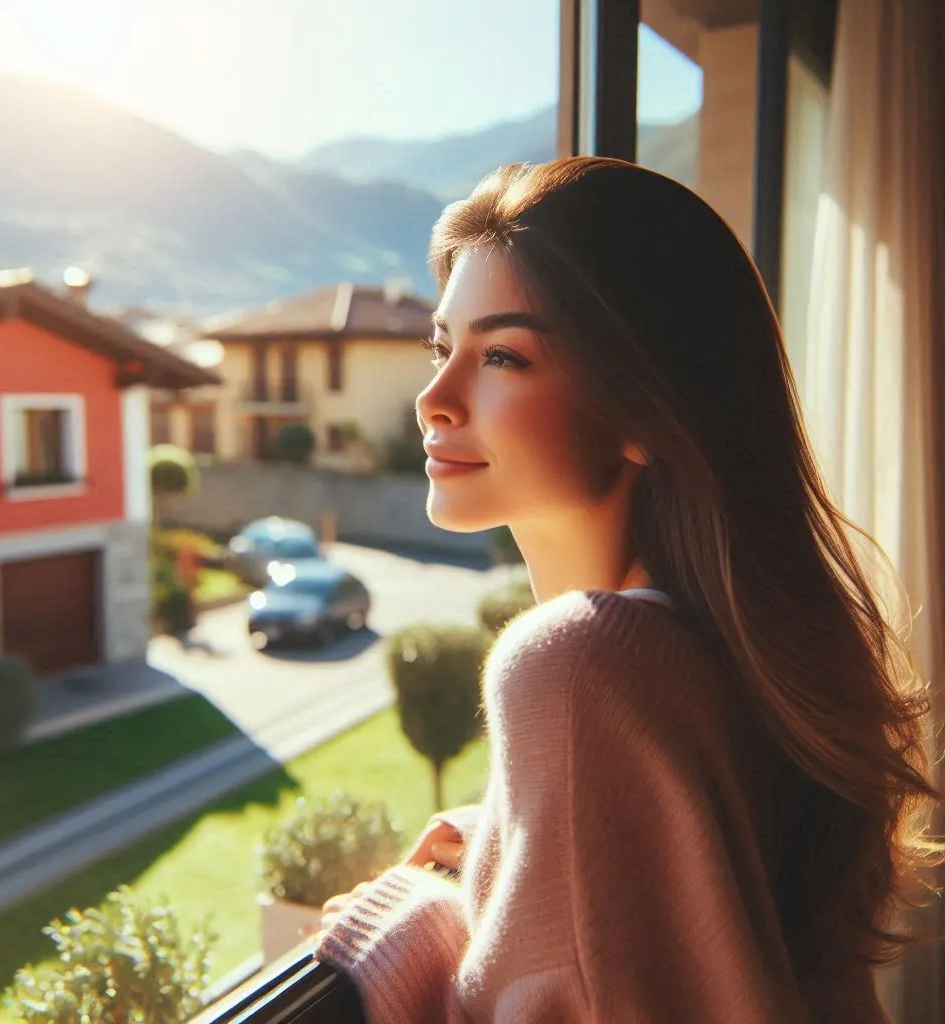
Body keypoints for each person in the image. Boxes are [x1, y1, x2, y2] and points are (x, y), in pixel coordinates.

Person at [312, 158, 942, 1022]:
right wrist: (514, 853)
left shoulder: (577, 665)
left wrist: (418, 927)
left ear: (648, 407)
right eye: (441, 346)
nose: (434, 399)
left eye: (501, 354)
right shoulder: (725, 654)